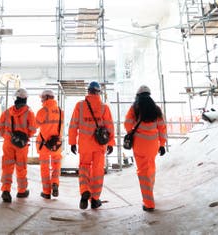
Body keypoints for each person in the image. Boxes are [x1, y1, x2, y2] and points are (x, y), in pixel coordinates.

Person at [69, 81, 115, 210]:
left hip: (84, 145)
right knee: (97, 171)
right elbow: (109, 126)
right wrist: (111, 142)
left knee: (84, 168)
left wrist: (72, 142)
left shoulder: (80, 106)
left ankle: (85, 191)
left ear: (88, 91)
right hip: (99, 145)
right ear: (98, 92)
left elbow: (73, 124)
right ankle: (95, 199)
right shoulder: (103, 107)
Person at [124, 85, 167, 212]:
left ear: (138, 96)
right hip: (153, 145)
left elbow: (127, 123)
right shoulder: (156, 109)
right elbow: (162, 128)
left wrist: (131, 131)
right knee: (151, 168)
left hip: (139, 145)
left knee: (143, 173)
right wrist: (162, 144)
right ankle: (150, 192)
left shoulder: (135, 108)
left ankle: (149, 203)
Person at [0, 88, 37, 203]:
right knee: (21, 168)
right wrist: (25, 137)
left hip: (8, 144)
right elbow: (33, 129)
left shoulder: (8, 112)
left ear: (16, 98)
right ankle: (21, 191)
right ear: (25, 99)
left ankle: (5, 190)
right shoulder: (29, 113)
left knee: (7, 167)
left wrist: (7, 137)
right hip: (22, 145)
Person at [35, 89, 63, 199]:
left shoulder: (42, 111)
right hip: (56, 145)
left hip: (44, 145)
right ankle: (55, 182)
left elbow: (34, 126)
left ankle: (46, 192)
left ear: (46, 98)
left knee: (45, 168)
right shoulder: (61, 112)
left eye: (42, 98)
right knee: (56, 165)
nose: (41, 100)